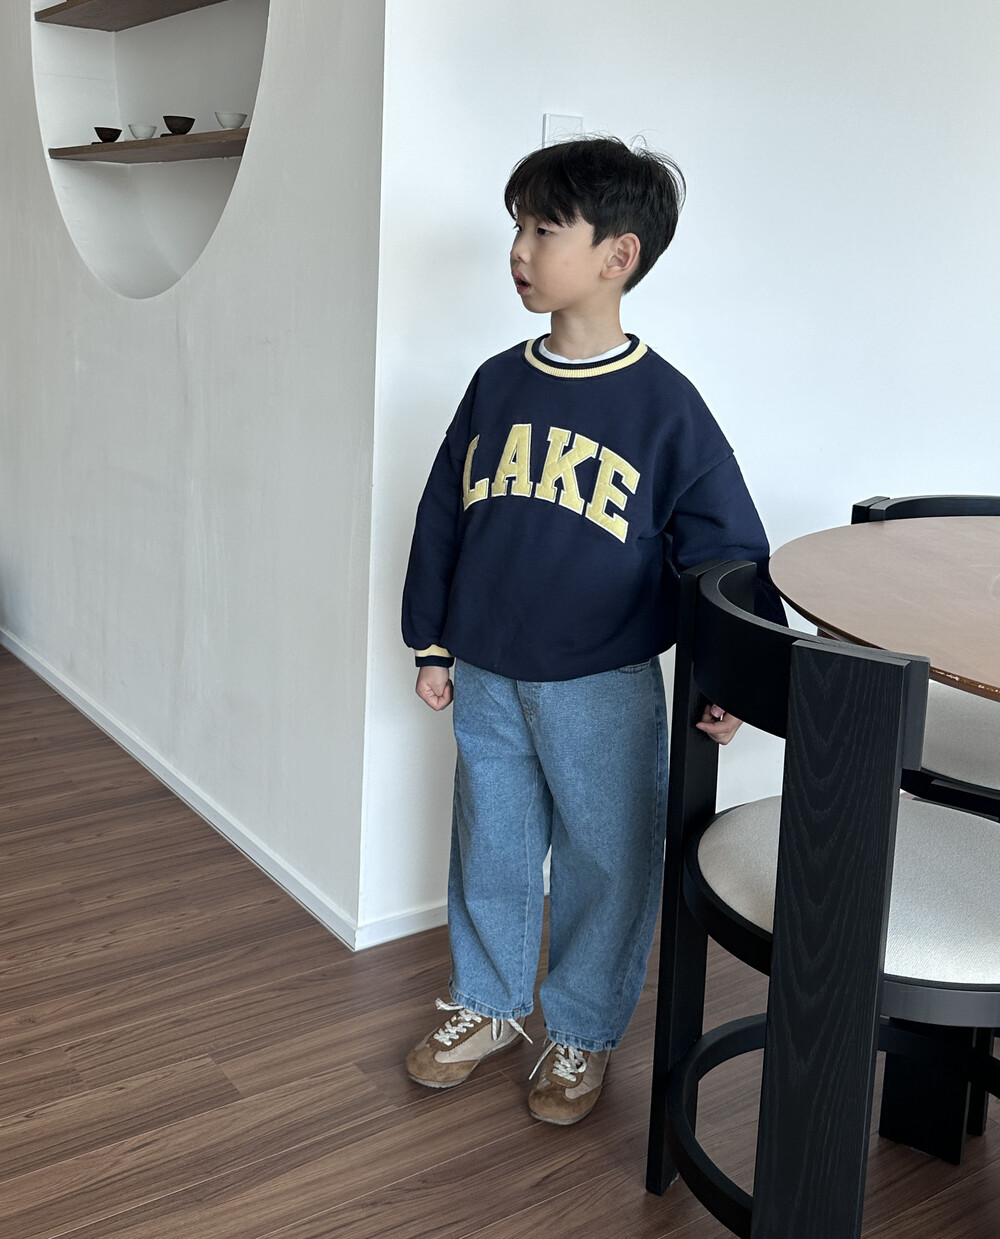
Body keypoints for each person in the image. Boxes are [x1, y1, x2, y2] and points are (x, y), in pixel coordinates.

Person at [400, 136, 784, 1125]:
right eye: (516, 228)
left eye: (543, 230)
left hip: (603, 685)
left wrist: (736, 670)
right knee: (490, 846)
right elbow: (443, 513)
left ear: (617, 255)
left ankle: (580, 1029)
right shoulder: (496, 383)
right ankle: (488, 1004)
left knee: (605, 863)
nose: (518, 251)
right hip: (488, 673)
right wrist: (430, 639)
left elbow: (726, 549)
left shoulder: (665, 407)